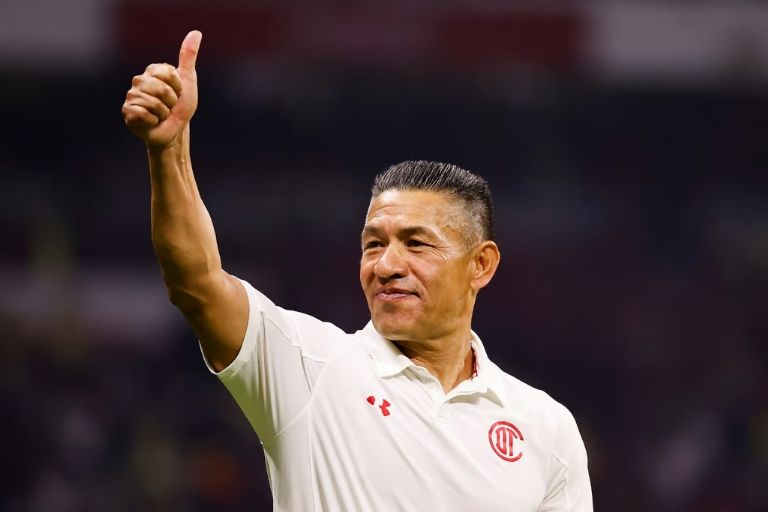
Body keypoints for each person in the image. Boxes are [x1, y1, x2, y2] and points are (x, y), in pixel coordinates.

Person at [122, 30, 593, 511]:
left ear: (481, 264)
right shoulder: (308, 369)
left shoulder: (546, 430)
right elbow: (197, 283)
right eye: (374, 244)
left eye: (416, 243)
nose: (387, 265)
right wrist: (169, 150)